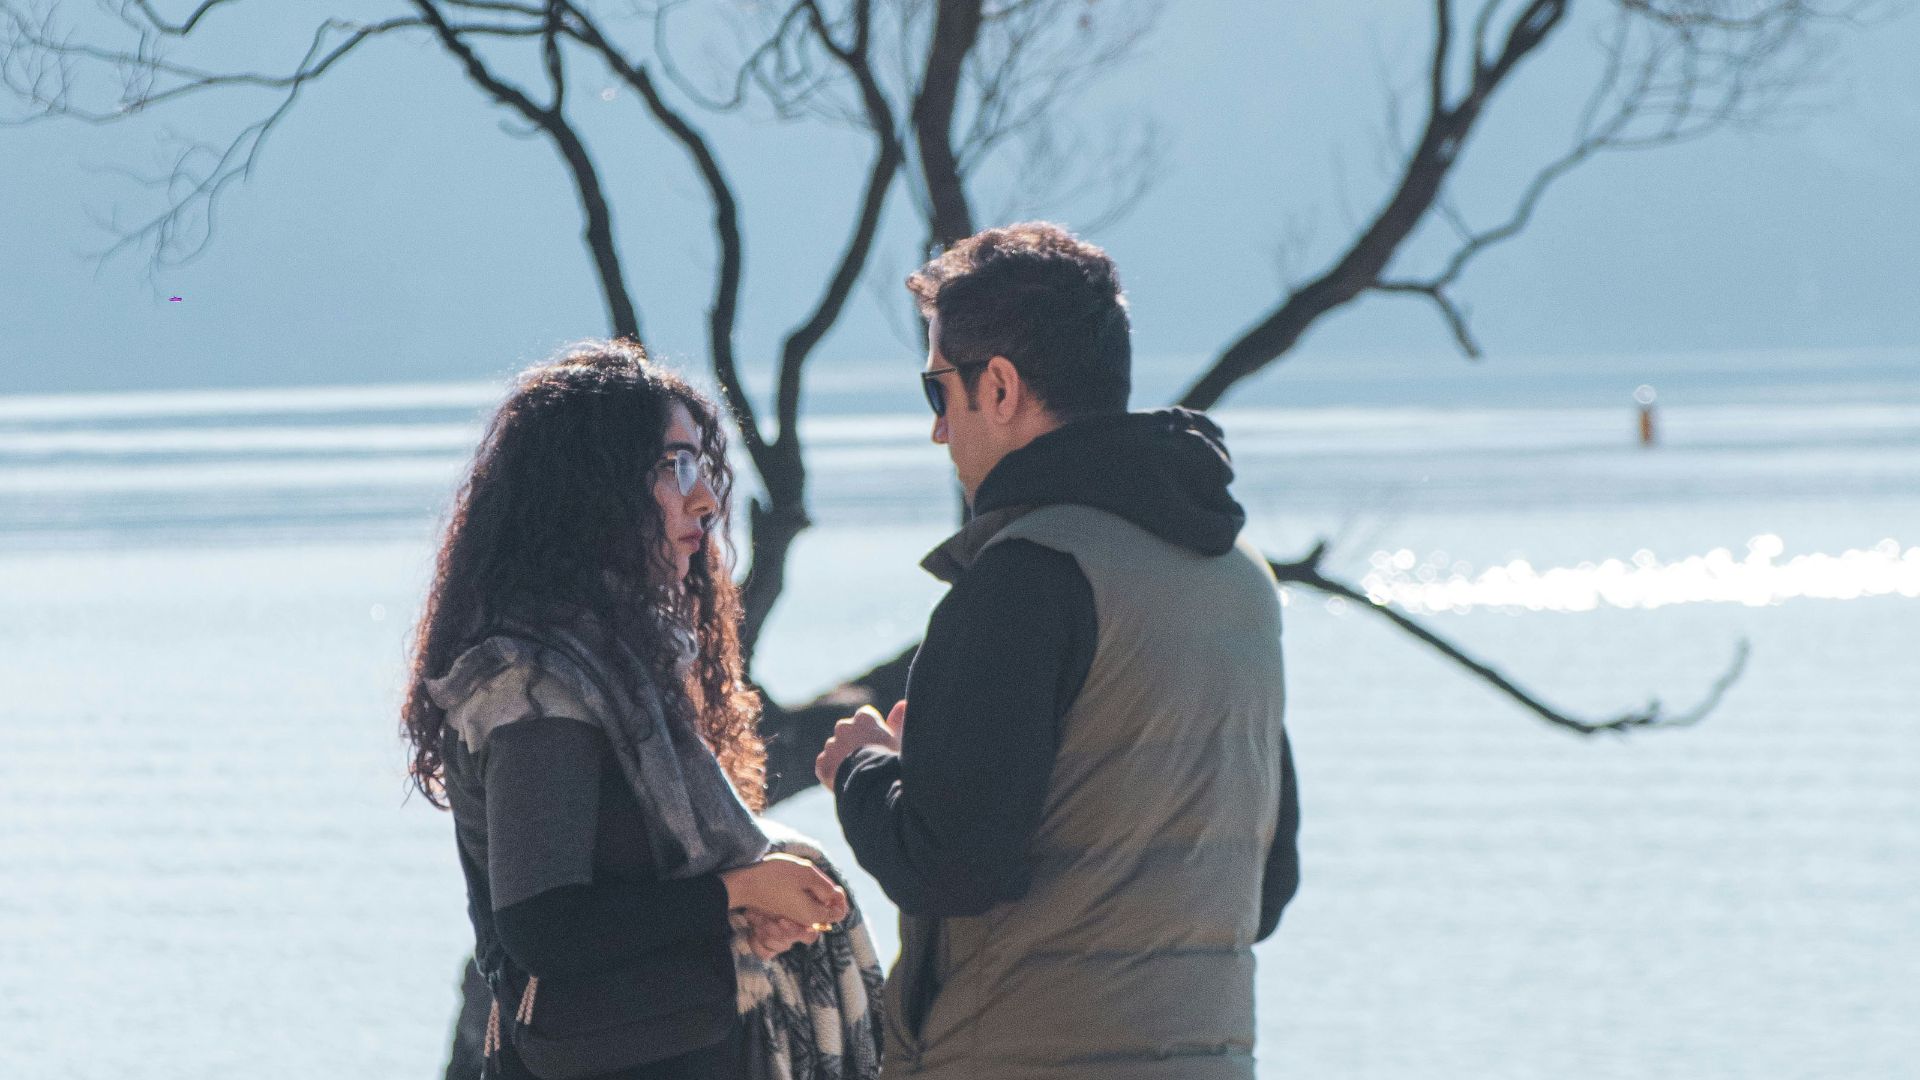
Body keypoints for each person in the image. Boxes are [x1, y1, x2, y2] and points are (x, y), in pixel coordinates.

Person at [816, 223, 1301, 1079]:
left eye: (938, 391)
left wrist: (863, 772)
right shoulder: (1242, 582)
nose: (939, 432)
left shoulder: (1025, 576)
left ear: (999, 387)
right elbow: (1267, 888)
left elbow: (953, 867)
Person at [402, 341, 880, 1080]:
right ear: (589, 488)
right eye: (674, 465)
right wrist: (737, 890)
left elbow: (641, 898)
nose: (706, 499)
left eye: (702, 465)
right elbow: (545, 927)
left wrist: (743, 916)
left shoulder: (625, 669)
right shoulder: (539, 688)